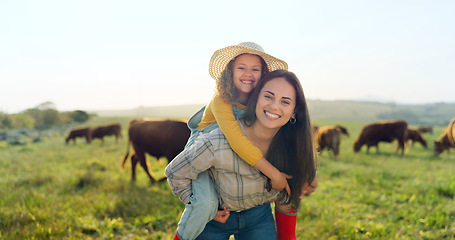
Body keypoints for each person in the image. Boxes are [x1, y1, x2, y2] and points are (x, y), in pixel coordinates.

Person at [166, 69, 317, 240]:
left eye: (285, 101)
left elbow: (285, 197)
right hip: (214, 220)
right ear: (256, 98)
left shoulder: (292, 147)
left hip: (259, 217)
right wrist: (200, 205)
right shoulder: (217, 142)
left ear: (294, 111)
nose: (274, 106)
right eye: (268, 96)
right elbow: (175, 172)